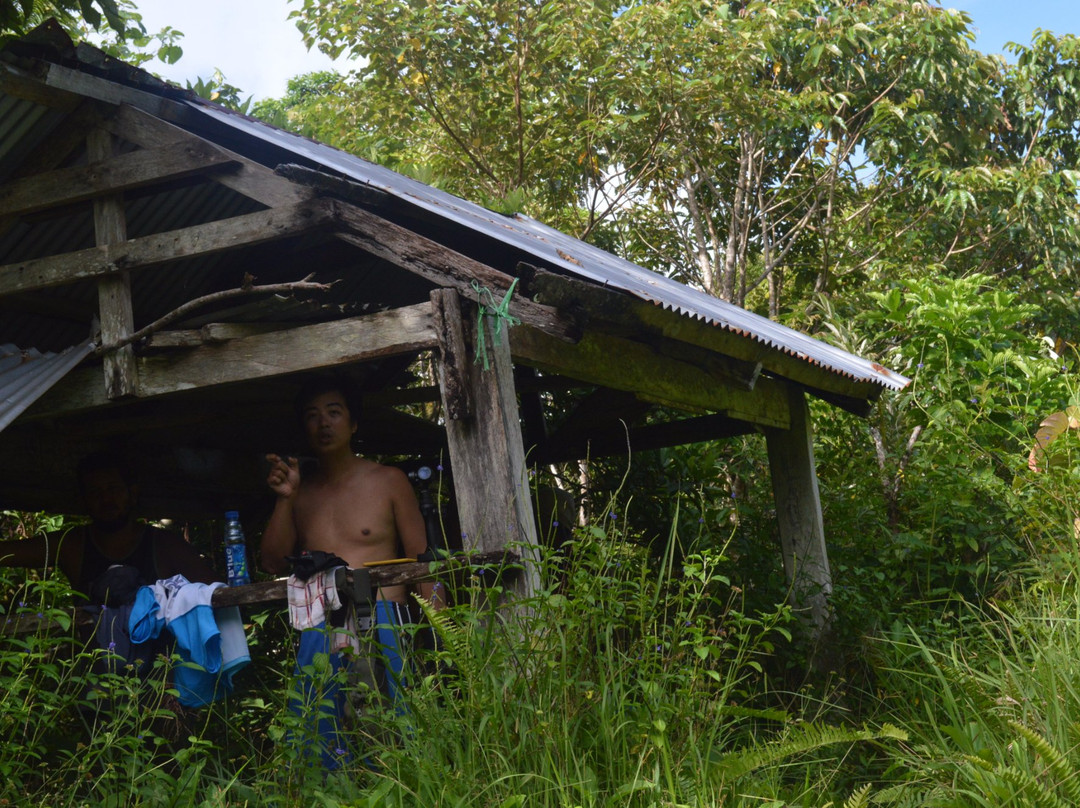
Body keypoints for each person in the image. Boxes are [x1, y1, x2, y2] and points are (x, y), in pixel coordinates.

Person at [261, 374, 434, 765]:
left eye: (334, 412)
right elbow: (272, 561)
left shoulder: (388, 480)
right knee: (318, 734)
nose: (323, 423)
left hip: (385, 621)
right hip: (320, 624)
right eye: (312, 415)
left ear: (353, 423)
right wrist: (285, 499)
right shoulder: (300, 492)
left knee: (396, 733)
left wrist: (443, 634)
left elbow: (423, 562)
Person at [0, 451, 220, 598]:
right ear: (84, 500)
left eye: (113, 489)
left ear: (131, 494)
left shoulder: (164, 546)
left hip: (159, 666)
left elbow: (218, 592)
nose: (106, 499)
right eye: (95, 492)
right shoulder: (73, 545)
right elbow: (9, 553)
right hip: (94, 664)